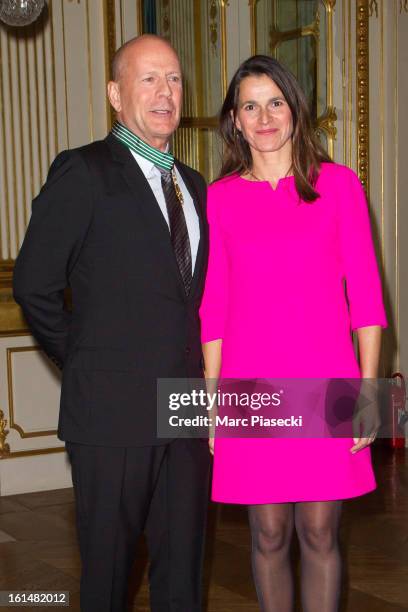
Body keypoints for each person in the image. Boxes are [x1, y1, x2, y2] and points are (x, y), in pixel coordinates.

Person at [13, 34, 210, 612]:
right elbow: (34, 284)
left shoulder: (193, 186)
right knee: (109, 577)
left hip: (187, 410)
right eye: (148, 78)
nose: (164, 91)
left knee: (183, 575)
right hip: (110, 412)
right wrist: (86, 362)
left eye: (173, 78)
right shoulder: (84, 172)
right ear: (115, 94)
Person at [199, 55, 387, 612]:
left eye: (275, 103)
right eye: (250, 106)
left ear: (294, 112)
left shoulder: (339, 186)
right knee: (269, 535)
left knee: (321, 532)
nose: (264, 117)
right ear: (234, 119)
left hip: (328, 381)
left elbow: (369, 301)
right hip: (250, 388)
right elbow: (214, 306)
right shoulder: (221, 198)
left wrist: (370, 394)